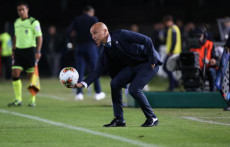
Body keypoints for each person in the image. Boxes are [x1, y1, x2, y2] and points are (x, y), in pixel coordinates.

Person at [68, 22, 163, 127]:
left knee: (134, 89)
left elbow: (147, 40)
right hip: (133, 65)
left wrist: (153, 59)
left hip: (147, 62)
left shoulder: (121, 34)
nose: (93, 37)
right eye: (91, 34)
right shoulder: (104, 48)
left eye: (95, 33)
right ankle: (119, 119)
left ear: (105, 31)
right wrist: (82, 84)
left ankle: (152, 118)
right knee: (115, 83)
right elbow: (98, 70)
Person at [7, 2, 43, 107]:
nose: (21, 12)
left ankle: (32, 100)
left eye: (23, 9)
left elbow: (39, 37)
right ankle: (18, 100)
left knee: (31, 77)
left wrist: (38, 51)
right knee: (15, 74)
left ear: (27, 9)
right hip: (18, 51)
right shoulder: (16, 22)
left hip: (30, 51)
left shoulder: (33, 22)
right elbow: (15, 36)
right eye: (19, 10)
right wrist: (13, 49)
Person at [67, 6, 105, 101]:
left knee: (80, 70)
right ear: (91, 12)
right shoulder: (93, 19)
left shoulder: (77, 19)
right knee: (95, 70)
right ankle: (98, 92)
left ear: (84, 11)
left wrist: (71, 40)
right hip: (90, 46)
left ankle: (79, 94)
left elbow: (69, 31)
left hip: (79, 47)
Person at [190, 27, 218, 91]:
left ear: (204, 36)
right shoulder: (192, 45)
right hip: (196, 68)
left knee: (212, 71)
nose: (198, 38)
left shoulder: (210, 44)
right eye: (197, 36)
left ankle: (212, 91)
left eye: (200, 36)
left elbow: (215, 58)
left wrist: (212, 61)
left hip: (207, 67)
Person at [162, 15, 182, 91]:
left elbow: (174, 41)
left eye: (165, 23)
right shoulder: (173, 28)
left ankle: (173, 85)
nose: (165, 24)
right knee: (167, 68)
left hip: (173, 52)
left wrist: (171, 51)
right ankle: (174, 84)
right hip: (174, 52)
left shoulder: (173, 29)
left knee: (166, 67)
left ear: (169, 21)